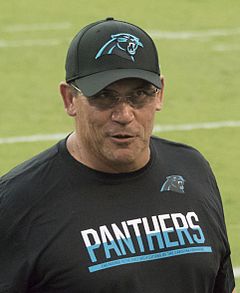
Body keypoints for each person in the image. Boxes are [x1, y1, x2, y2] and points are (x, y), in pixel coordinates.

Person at [0, 17, 236, 293]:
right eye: (104, 96)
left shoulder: (193, 170)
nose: (124, 115)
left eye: (139, 95)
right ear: (69, 99)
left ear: (160, 95)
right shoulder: (16, 203)